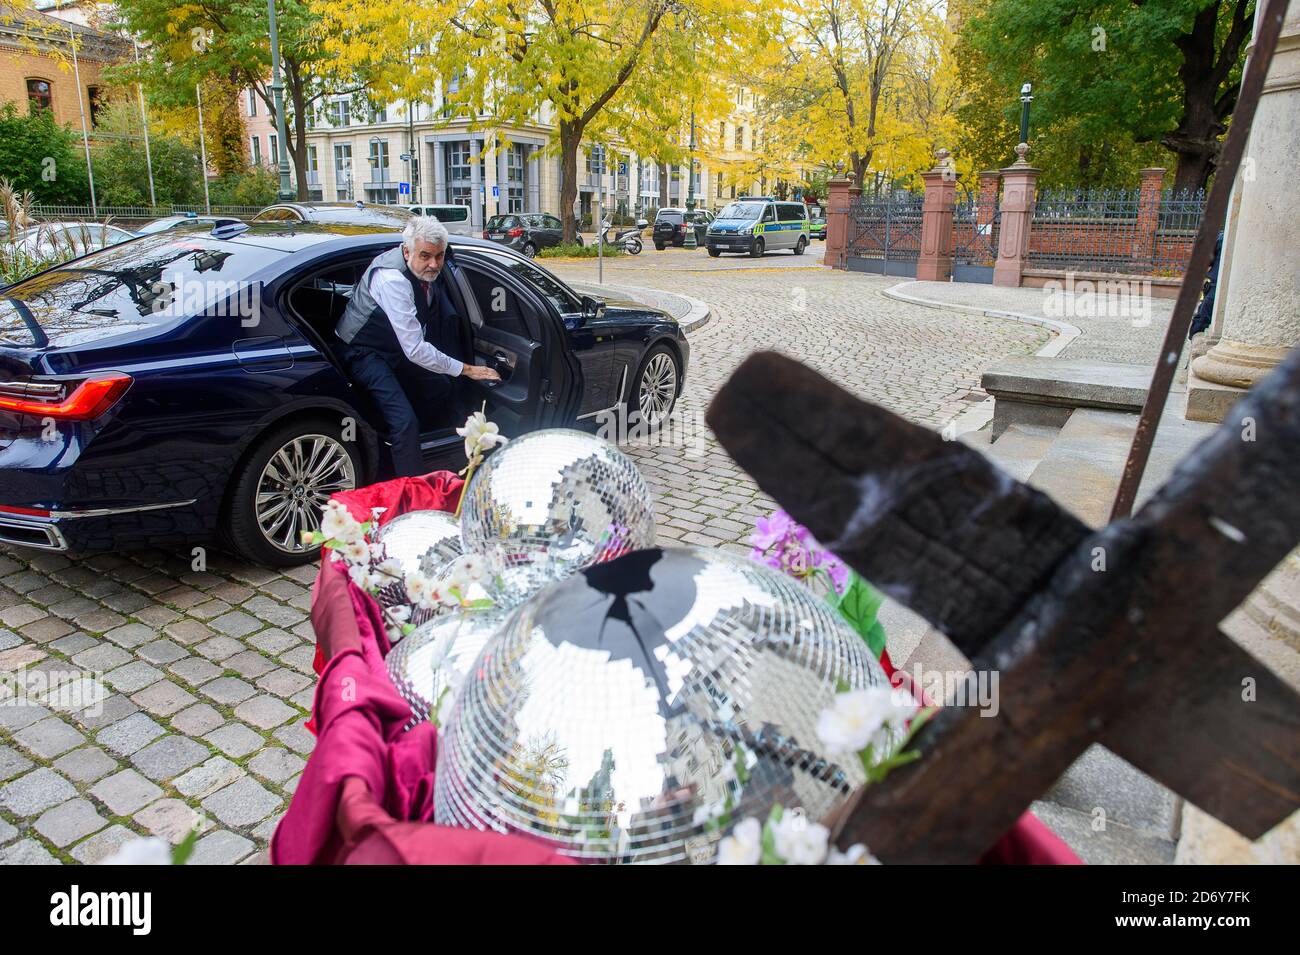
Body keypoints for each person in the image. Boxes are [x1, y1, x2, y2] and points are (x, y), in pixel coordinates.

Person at [335, 216, 499, 476]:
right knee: (404, 422)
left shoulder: (429, 268)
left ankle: (461, 461)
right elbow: (415, 349)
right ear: (407, 251)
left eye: (439, 256)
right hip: (364, 351)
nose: (434, 264)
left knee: (443, 388)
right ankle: (412, 492)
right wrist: (466, 368)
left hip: (397, 347)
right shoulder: (392, 280)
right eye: (425, 256)